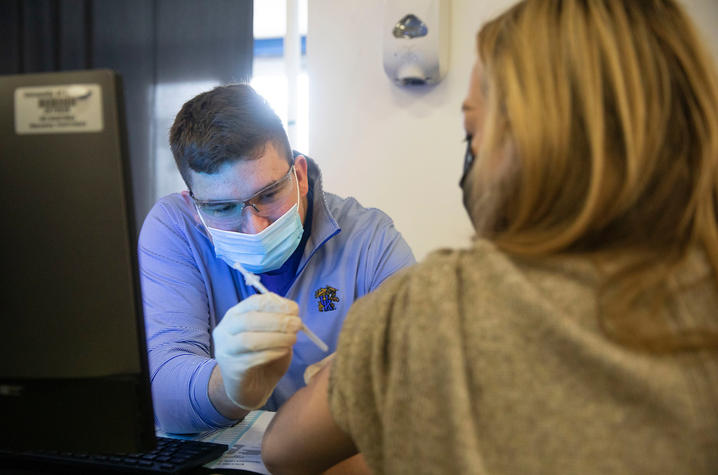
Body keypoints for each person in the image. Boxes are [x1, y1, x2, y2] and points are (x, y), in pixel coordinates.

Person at [261, 0, 718, 473]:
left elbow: (285, 453)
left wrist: (362, 365)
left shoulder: (438, 302)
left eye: (471, 134)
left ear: (528, 144)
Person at [138, 84, 415, 434]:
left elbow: (422, 365)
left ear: (299, 175)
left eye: (268, 195)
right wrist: (229, 386)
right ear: (194, 206)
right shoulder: (173, 230)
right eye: (222, 208)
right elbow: (162, 392)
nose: (255, 228)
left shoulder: (369, 239)